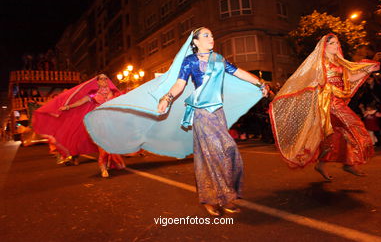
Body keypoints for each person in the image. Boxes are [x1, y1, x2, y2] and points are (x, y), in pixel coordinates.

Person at [84, 27, 266, 216]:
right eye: (206, 35)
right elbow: (180, 84)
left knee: (228, 150)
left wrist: (259, 83)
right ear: (195, 42)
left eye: (212, 35)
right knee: (213, 154)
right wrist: (167, 98)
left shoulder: (218, 59)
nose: (211, 38)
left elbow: (239, 72)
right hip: (202, 114)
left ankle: (226, 195)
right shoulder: (190, 62)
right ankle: (213, 198)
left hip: (218, 113)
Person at [270, 34, 379, 181]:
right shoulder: (319, 64)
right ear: (325, 46)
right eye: (333, 43)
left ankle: (332, 164)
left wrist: (368, 70)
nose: (336, 45)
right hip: (329, 104)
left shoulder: (340, 62)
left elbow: (351, 78)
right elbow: (305, 82)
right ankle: (350, 162)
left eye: (337, 43)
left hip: (338, 101)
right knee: (354, 125)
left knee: (335, 136)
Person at [33, 74, 124, 177]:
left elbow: (121, 103)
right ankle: (103, 168)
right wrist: (68, 107)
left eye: (105, 79)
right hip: (97, 123)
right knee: (103, 148)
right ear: (97, 82)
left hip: (110, 123)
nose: (104, 80)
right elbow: (80, 102)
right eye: (101, 79)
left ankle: (108, 163)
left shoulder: (114, 93)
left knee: (111, 146)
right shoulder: (93, 94)